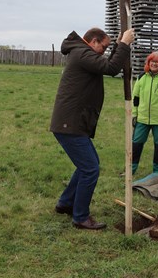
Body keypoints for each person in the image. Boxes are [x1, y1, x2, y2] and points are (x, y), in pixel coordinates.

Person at [50, 26, 135, 230]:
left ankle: (66, 203)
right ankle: (80, 216)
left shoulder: (82, 53)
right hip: (70, 124)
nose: (104, 51)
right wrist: (124, 44)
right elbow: (111, 68)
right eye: (103, 47)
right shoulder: (82, 53)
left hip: (72, 122)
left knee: (88, 165)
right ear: (93, 41)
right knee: (90, 169)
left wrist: (117, 47)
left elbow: (106, 65)